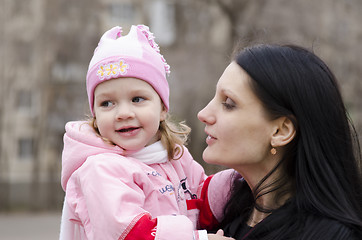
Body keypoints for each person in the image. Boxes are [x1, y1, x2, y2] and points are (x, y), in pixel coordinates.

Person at [59, 25, 232, 240]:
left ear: (162, 108)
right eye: (107, 103)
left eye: (137, 99)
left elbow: (200, 200)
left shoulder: (174, 157)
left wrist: (239, 181)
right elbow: (129, 233)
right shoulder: (99, 169)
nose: (123, 113)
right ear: (95, 114)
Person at [197, 44, 362, 239]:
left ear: (280, 131)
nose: (203, 114)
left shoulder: (328, 235)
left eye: (229, 104)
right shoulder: (217, 212)